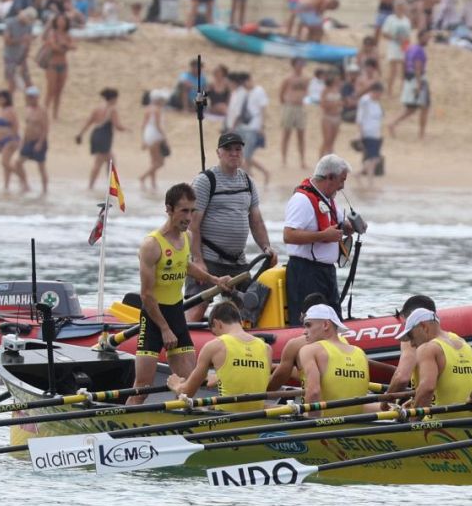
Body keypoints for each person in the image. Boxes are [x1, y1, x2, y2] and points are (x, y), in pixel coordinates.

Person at [130, 183, 230, 401]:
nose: (189, 217)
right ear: (169, 209)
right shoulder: (151, 245)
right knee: (142, 386)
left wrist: (214, 279)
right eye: (184, 210)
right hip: (154, 319)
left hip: (176, 316)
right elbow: (146, 295)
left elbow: (184, 265)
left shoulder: (186, 238)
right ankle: (122, 425)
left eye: (192, 210)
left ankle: (184, 423)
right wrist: (164, 329)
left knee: (189, 380)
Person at [186, 130, 275, 322]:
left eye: (237, 149)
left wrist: (266, 247)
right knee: (196, 308)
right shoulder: (205, 181)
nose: (233, 153)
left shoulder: (248, 182)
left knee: (254, 304)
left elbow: (256, 220)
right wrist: (198, 260)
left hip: (237, 262)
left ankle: (236, 336)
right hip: (208, 259)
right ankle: (186, 337)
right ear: (219, 153)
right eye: (228, 149)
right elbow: (192, 225)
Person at [284, 154, 353, 324]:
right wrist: (323, 236)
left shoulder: (326, 199)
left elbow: (338, 223)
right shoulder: (302, 200)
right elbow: (288, 235)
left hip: (326, 272)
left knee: (334, 321)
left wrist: (349, 226)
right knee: (310, 322)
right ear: (330, 177)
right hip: (306, 272)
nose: (342, 186)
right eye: (341, 181)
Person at [167, 299, 271, 409]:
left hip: (226, 417)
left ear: (217, 323)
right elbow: (250, 380)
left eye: (216, 334)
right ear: (240, 321)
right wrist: (220, 376)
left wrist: (176, 385)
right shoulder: (266, 348)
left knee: (190, 405)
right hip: (256, 416)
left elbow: (187, 393)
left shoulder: (215, 346)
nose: (218, 337)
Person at [394, 307, 472, 414]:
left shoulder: (427, 348)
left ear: (424, 326)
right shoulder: (469, 349)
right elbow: (454, 387)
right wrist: (414, 402)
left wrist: (412, 418)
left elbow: (427, 389)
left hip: (443, 422)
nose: (411, 344)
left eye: (411, 336)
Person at [297, 303, 369, 416]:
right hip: (356, 424)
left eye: (308, 325)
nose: (304, 331)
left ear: (326, 324)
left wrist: (310, 424)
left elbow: (314, 393)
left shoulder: (309, 350)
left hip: (326, 426)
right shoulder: (360, 353)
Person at [385, 293, 439, 396]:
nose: (412, 343)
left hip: (432, 406)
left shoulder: (412, 338)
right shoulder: (455, 339)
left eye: (406, 322)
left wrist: (386, 399)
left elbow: (402, 377)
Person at [74, 87, 124, 191]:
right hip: (104, 136)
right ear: (113, 98)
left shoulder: (97, 109)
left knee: (104, 161)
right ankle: (107, 187)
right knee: (106, 162)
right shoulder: (112, 109)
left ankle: (95, 186)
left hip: (95, 135)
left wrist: (80, 134)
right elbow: (118, 126)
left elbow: (88, 122)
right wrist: (127, 129)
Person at [227, 71, 269, 183]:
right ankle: (258, 175)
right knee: (246, 156)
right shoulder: (246, 93)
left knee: (244, 157)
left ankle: (250, 181)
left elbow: (263, 110)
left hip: (254, 128)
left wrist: (262, 127)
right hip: (244, 128)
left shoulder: (259, 91)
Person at [389, 29, 430, 139]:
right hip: (418, 79)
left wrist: (404, 80)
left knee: (411, 108)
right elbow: (417, 67)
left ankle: (393, 123)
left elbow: (404, 63)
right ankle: (421, 134)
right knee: (424, 107)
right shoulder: (419, 51)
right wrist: (418, 83)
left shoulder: (410, 49)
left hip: (409, 79)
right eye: (426, 37)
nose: (428, 39)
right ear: (420, 37)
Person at [0, 90, 28, 195]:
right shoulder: (2, 110)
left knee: (4, 163)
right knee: (6, 165)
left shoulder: (10, 110)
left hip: (10, 140)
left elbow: (16, 126)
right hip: (2, 142)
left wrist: (12, 139)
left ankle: (24, 181)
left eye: (0, 98)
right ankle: (6, 186)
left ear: (6, 99)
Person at [40, 11, 74, 120]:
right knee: (50, 90)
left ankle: (55, 114)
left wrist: (64, 45)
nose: (61, 23)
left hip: (63, 64)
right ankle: (45, 112)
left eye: (63, 21)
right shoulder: (52, 33)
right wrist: (64, 46)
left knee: (59, 91)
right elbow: (54, 47)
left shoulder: (67, 34)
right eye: (59, 20)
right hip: (52, 64)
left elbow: (74, 46)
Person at [18, 86, 49, 195]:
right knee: (18, 163)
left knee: (41, 167)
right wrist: (22, 141)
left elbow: (45, 128)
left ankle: (45, 190)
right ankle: (25, 185)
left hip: (39, 141)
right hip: (28, 141)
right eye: (28, 97)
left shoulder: (42, 110)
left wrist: (40, 142)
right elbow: (27, 127)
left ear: (37, 97)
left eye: (32, 97)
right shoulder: (28, 109)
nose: (30, 99)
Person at [278, 58, 308, 167]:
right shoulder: (288, 78)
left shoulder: (305, 79)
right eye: (299, 64)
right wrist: (286, 103)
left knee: (301, 134)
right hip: (290, 106)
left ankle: (302, 160)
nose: (301, 66)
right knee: (286, 134)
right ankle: (284, 159)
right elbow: (281, 93)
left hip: (300, 107)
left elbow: (307, 91)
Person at [380, 0, 413, 92]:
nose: (400, 9)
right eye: (398, 7)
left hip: (404, 46)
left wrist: (406, 46)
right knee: (393, 70)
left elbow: (408, 35)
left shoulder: (406, 20)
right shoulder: (390, 19)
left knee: (404, 70)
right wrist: (396, 38)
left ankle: (403, 90)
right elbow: (384, 33)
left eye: (402, 7)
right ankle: (389, 90)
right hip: (393, 46)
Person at [138, 89, 168, 190]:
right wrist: (164, 137)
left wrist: (143, 139)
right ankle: (143, 177)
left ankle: (153, 184)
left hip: (148, 134)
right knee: (160, 162)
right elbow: (158, 125)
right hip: (155, 135)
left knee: (153, 161)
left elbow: (143, 125)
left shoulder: (147, 109)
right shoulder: (157, 109)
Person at [2, 7, 37, 94]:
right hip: (10, 56)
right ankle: (10, 105)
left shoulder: (29, 25)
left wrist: (25, 56)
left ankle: (31, 104)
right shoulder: (10, 22)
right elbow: (7, 41)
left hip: (21, 56)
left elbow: (28, 43)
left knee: (28, 81)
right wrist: (21, 40)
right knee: (11, 83)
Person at [355, 82, 384, 177]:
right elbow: (360, 117)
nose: (380, 95)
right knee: (374, 157)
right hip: (367, 132)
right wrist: (360, 132)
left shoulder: (377, 102)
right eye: (379, 93)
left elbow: (378, 118)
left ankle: (366, 176)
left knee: (374, 158)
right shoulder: (365, 100)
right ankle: (362, 174)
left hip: (376, 133)